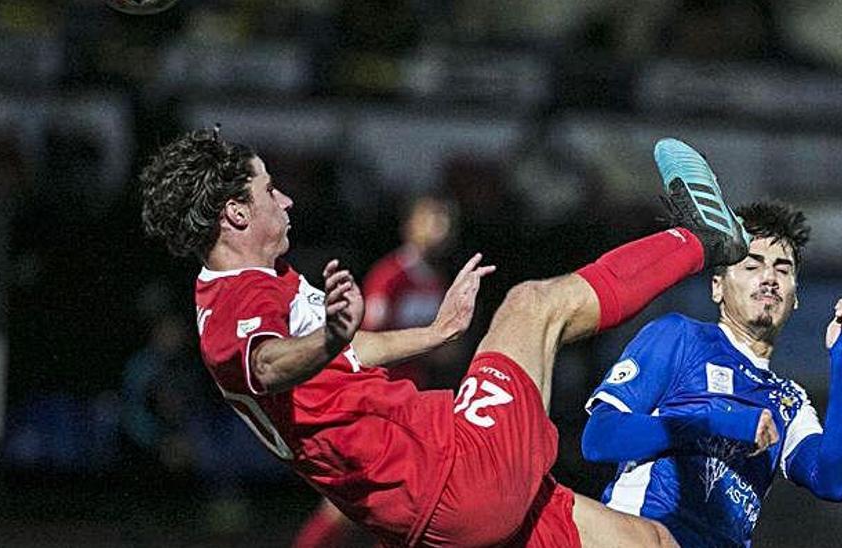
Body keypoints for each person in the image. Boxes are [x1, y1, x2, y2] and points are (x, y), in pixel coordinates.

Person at [139, 128, 746, 546]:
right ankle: (702, 239)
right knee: (531, 306)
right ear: (237, 215)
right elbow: (271, 365)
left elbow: (346, 353)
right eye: (271, 188)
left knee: (648, 539)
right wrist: (326, 340)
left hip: (439, 511)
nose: (287, 197)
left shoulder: (261, 283)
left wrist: (434, 333)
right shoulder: (231, 310)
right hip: (452, 475)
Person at [580, 200, 842, 547]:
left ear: (795, 298)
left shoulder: (789, 401)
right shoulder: (681, 338)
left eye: (783, 269)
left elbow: (833, 481)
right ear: (717, 286)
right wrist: (713, 422)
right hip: (642, 535)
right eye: (752, 266)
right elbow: (599, 438)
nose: (769, 278)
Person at [293, 194, 458, 548]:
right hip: (381, 404)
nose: (440, 229)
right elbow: (367, 342)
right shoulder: (390, 276)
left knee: (399, 500)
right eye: (432, 219)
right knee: (357, 499)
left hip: (415, 405)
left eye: (445, 221)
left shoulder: (437, 282)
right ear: (409, 225)